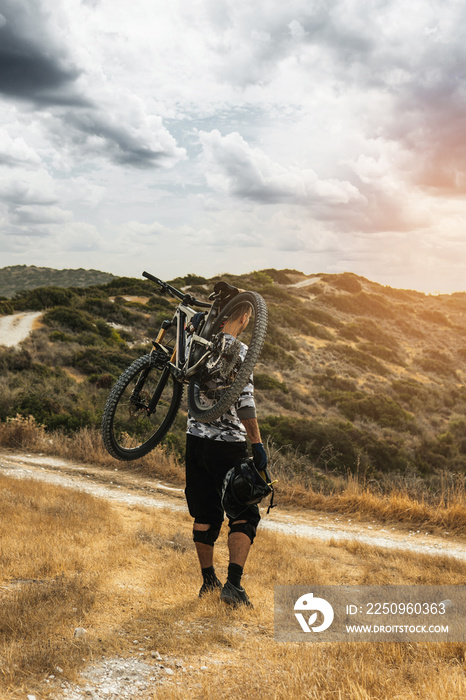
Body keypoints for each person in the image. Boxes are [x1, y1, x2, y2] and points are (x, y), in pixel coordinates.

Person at [184, 302, 267, 608]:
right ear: (244, 317)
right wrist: (256, 444)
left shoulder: (200, 344)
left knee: (205, 513)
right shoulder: (241, 352)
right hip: (228, 444)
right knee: (245, 513)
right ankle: (232, 585)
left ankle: (208, 581)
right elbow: (245, 403)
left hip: (195, 439)